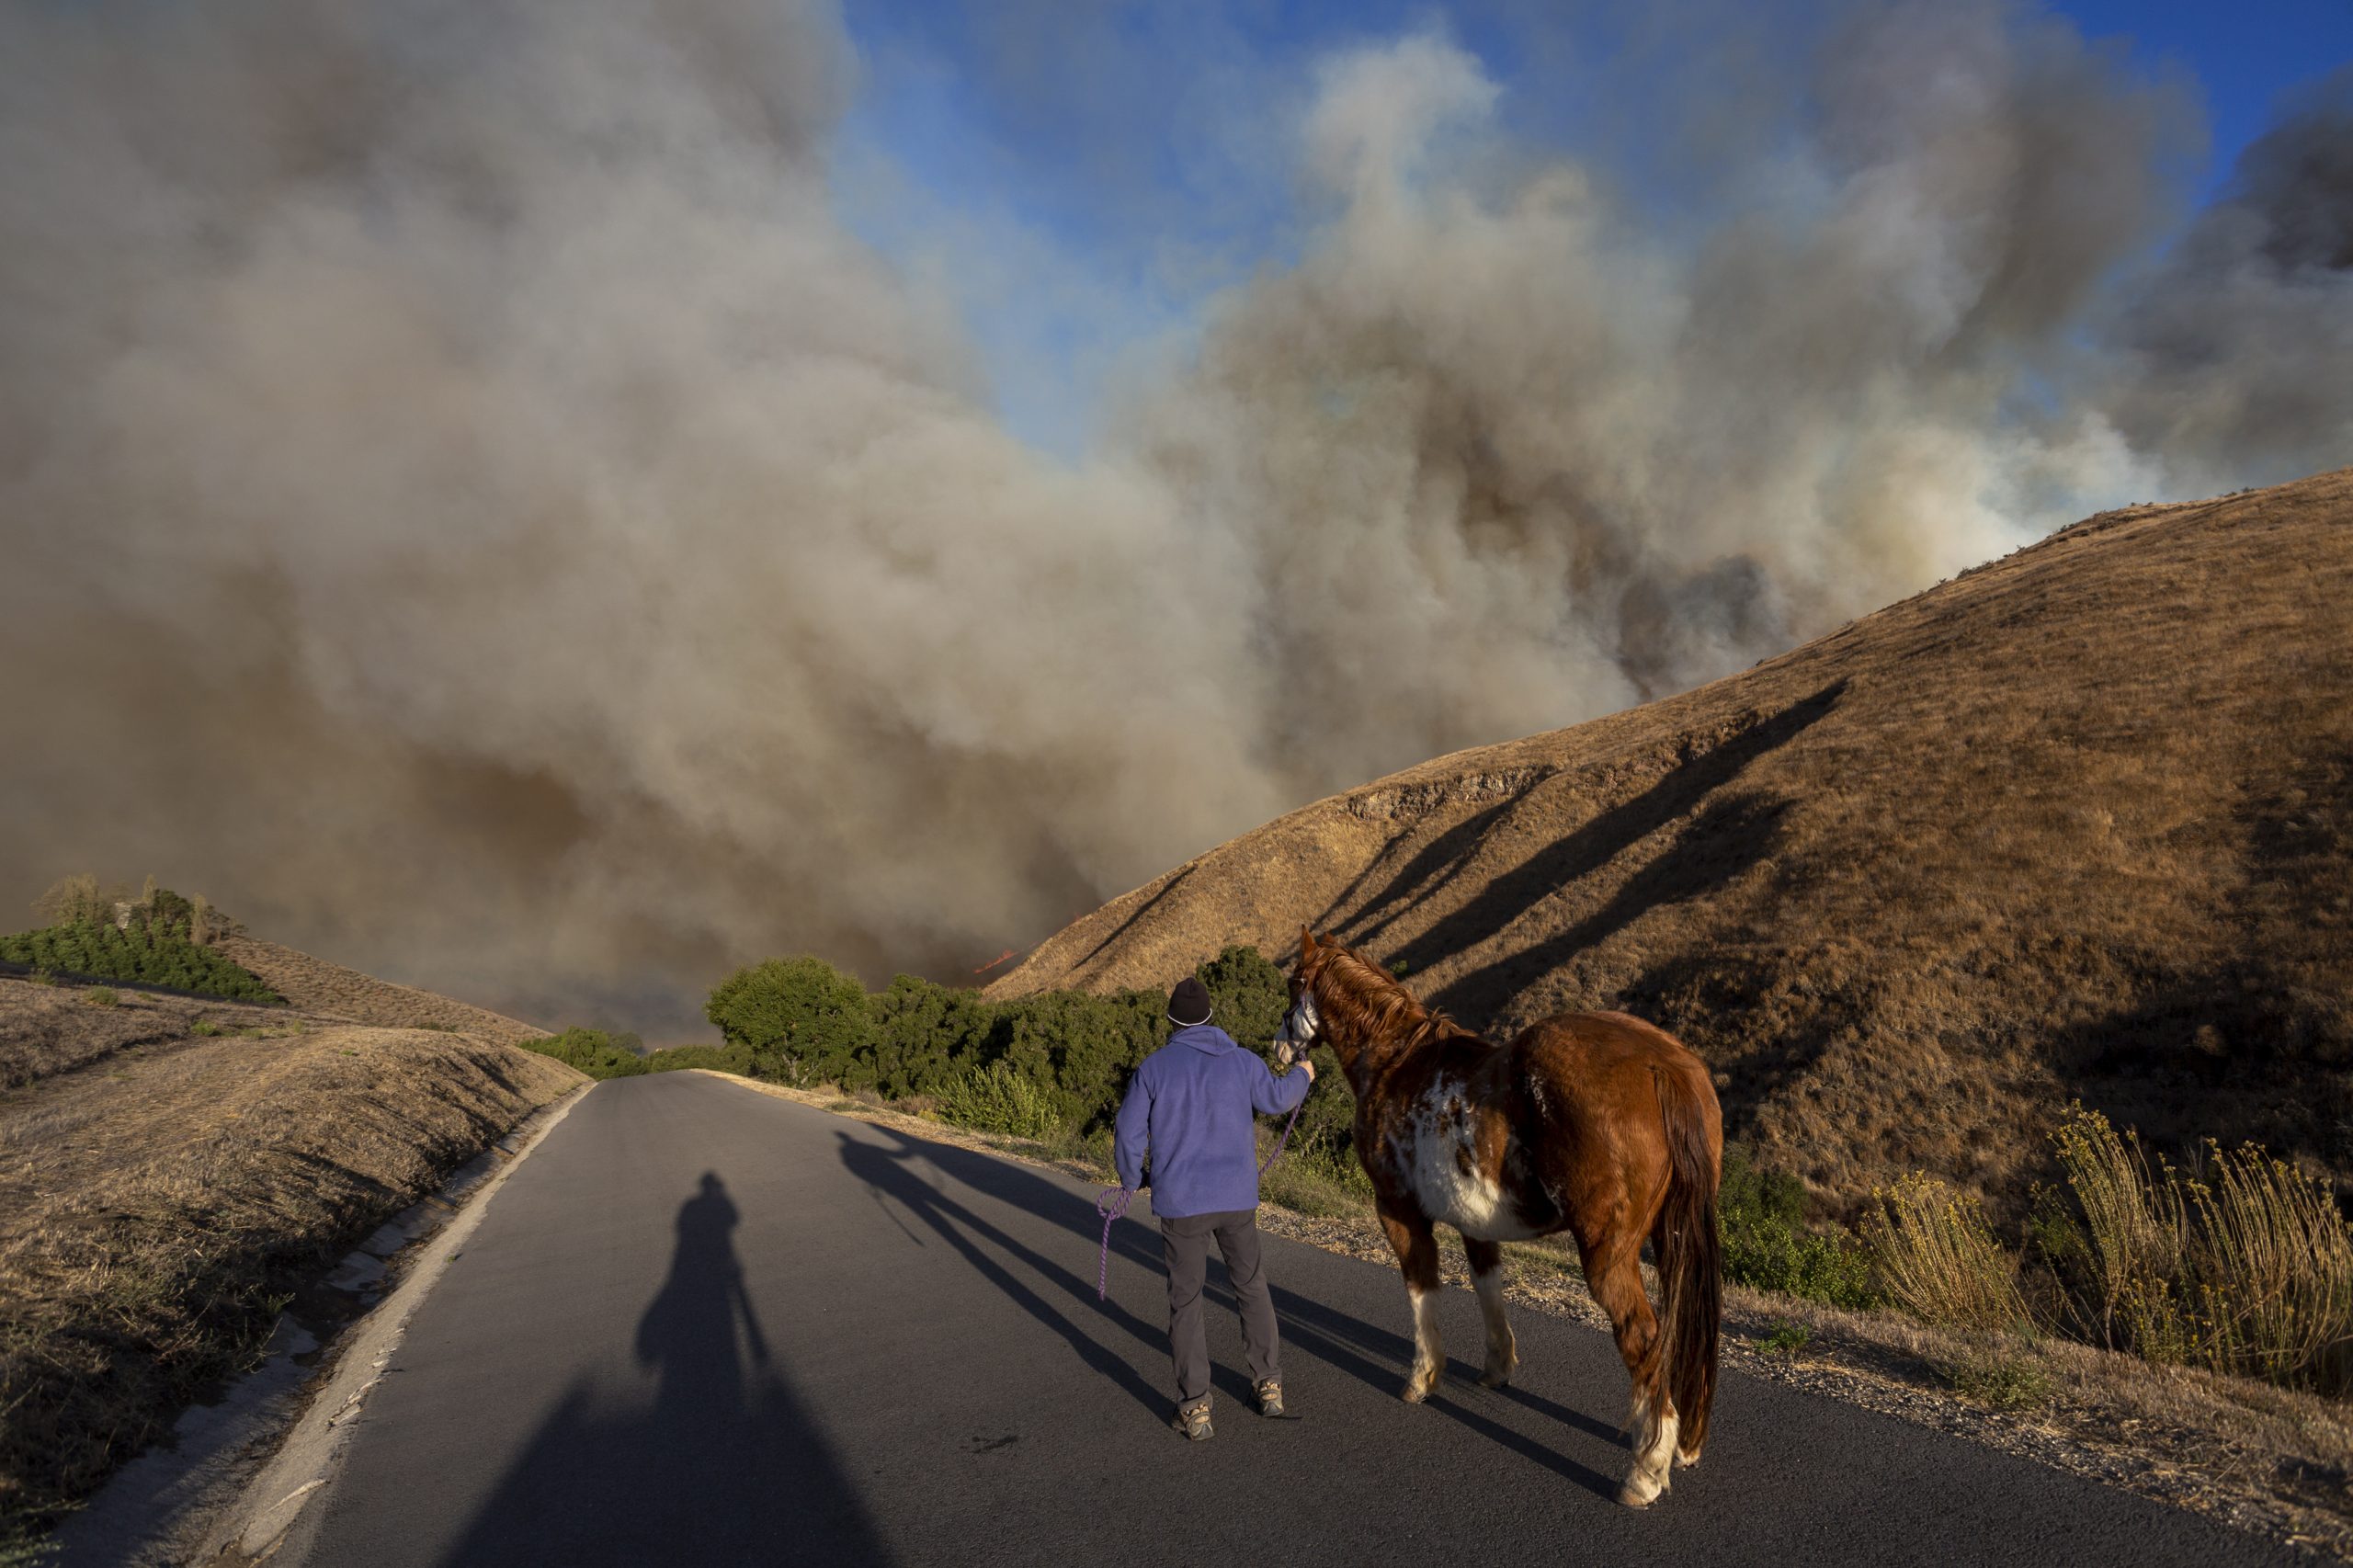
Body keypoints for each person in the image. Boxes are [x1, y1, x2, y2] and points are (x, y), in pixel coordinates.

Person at [1112, 975, 1315, 1441]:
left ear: (1172, 1023)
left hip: (1181, 1205)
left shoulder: (1154, 1068)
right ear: (1209, 1018)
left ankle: (1196, 1409)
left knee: (1186, 1301)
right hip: (1237, 1200)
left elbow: (1127, 1136)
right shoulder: (1241, 1062)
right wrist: (1303, 1075)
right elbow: (1278, 1099)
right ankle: (1269, 1388)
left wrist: (1130, 1180)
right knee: (1250, 1286)